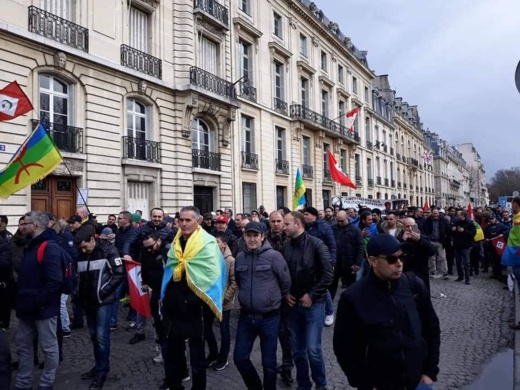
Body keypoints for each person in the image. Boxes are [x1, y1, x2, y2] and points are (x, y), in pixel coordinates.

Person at [333, 234, 441, 390]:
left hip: (419, 381)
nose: (399, 264)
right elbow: (344, 348)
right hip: (380, 383)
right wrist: (364, 383)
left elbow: (432, 329)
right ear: (373, 261)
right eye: (391, 259)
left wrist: (430, 372)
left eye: (401, 257)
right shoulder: (353, 297)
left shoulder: (414, 285)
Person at [160, 206, 226, 390]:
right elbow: (171, 267)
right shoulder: (176, 241)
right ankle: (175, 384)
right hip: (174, 306)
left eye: (188, 220)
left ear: (197, 221)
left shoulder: (208, 242)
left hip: (198, 308)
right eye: (181, 220)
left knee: (197, 356)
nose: (183, 223)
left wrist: (192, 299)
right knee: (173, 350)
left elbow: (212, 274)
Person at [233, 222, 291, 390]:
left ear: (262, 237)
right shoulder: (240, 257)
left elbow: (285, 282)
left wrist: (273, 300)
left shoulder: (274, 256)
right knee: (240, 358)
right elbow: (239, 280)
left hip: (269, 318)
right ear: (244, 237)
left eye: (255, 236)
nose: (252, 239)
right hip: (246, 317)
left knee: (269, 363)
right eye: (248, 236)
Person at [281, 211, 333, 390]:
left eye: (286, 224)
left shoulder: (317, 244)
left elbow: (328, 274)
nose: (283, 227)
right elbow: (283, 273)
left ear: (298, 224)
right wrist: (285, 293)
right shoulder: (286, 246)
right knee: (298, 350)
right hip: (293, 305)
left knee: (313, 349)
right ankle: (303, 384)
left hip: (314, 304)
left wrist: (312, 295)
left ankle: (321, 384)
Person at [14, 212, 63, 390]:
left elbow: (54, 281)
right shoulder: (31, 244)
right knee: (23, 345)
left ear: (34, 225)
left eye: (25, 223)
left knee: (49, 348)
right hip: (27, 306)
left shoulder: (49, 247)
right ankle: (23, 382)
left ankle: (46, 383)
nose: (22, 226)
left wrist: (39, 301)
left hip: (43, 308)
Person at [76, 230, 125, 390]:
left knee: (102, 337)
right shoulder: (82, 253)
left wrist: (101, 293)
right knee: (94, 337)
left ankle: (102, 371)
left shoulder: (108, 250)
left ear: (92, 239)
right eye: (81, 248)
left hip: (103, 302)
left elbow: (118, 275)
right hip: (88, 302)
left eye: (85, 247)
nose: (83, 251)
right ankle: (98, 366)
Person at [266, 211, 293, 385]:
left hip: (287, 294)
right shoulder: (263, 240)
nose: (276, 224)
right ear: (269, 223)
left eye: (279, 221)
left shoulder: (291, 240)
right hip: (268, 294)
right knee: (270, 334)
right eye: (273, 221)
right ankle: (271, 366)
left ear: (283, 223)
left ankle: (287, 366)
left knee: (286, 334)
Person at [302, 206, 337, 327]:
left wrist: (331, 262)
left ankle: (329, 312)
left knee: (323, 287)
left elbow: (332, 245)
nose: (304, 216)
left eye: (306, 214)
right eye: (303, 214)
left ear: (313, 215)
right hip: (307, 263)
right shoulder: (304, 227)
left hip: (322, 262)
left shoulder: (324, 227)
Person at [214, 233, 238, 371]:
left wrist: (225, 298)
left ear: (224, 244)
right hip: (212, 300)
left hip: (224, 302)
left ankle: (223, 358)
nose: (214, 244)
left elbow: (234, 283)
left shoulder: (231, 260)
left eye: (217, 242)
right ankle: (213, 354)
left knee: (224, 330)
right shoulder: (211, 257)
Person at [397, 218, 437, 292]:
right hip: (405, 273)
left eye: (413, 226)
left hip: (421, 273)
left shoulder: (423, 237)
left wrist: (420, 240)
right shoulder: (399, 238)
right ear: (403, 228)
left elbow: (432, 251)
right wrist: (402, 241)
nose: (410, 229)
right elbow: (395, 254)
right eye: (407, 226)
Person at [331, 210, 364, 296]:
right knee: (331, 286)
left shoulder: (355, 230)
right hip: (336, 262)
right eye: (338, 221)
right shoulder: (333, 228)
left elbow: (360, 247)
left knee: (351, 287)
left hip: (350, 262)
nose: (340, 223)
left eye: (342, 221)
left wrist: (357, 263)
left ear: (347, 218)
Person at [422, 207, 450, 280]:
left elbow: (447, 230)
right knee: (432, 258)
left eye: (436, 213)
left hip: (441, 241)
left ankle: (445, 272)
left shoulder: (444, 220)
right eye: (434, 213)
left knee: (443, 257)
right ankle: (433, 271)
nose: (435, 215)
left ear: (439, 213)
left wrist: (446, 238)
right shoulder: (428, 221)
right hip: (432, 241)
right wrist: (428, 237)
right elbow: (425, 230)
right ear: (432, 213)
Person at [451, 210, 476, 285]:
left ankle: (467, 278)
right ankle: (460, 276)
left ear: (464, 215)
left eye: (459, 215)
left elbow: (473, 233)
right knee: (458, 263)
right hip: (457, 245)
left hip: (466, 246)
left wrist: (464, 231)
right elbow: (451, 232)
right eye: (458, 215)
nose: (458, 217)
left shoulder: (470, 223)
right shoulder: (456, 222)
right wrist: (452, 230)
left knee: (466, 263)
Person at [0, 215, 13, 331]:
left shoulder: (8, 236)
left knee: (5, 300)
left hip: (4, 274)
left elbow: (7, 258)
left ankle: (5, 323)